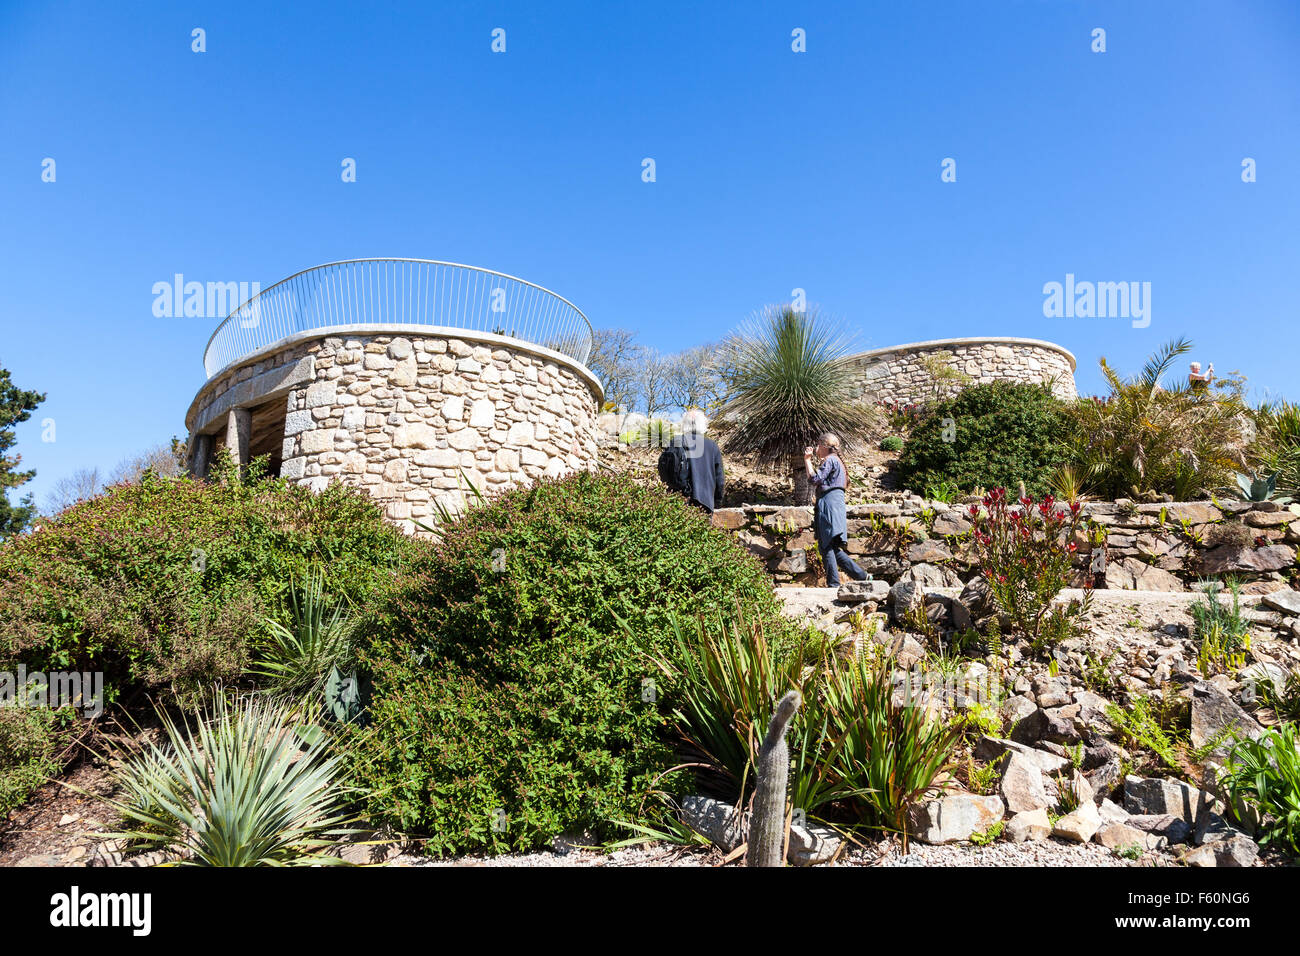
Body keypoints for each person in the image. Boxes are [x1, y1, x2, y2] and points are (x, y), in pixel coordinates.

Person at [804, 432, 868, 587]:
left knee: (826, 546)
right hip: (836, 505)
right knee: (832, 546)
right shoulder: (837, 461)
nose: (817, 448)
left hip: (828, 505)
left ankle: (833, 585)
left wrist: (807, 460)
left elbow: (815, 479)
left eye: (818, 445)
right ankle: (863, 576)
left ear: (824, 446)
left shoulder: (830, 460)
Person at [658, 408, 725, 512]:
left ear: (684, 424)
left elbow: (665, 469)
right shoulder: (712, 446)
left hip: (679, 499)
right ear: (703, 425)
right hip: (705, 503)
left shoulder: (676, 441)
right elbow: (719, 479)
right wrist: (717, 501)